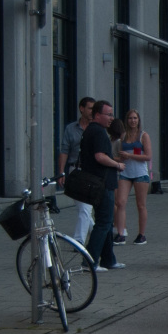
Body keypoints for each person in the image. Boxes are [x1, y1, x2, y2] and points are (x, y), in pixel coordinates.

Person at [80, 100, 127, 270]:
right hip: (102, 183)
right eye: (108, 114)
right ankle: (89, 261)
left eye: (112, 114)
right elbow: (100, 156)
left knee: (106, 222)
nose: (111, 118)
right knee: (104, 222)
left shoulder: (91, 131)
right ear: (97, 115)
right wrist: (117, 165)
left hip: (99, 182)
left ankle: (109, 259)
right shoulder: (98, 132)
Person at [57, 97, 95, 242]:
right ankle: (100, 233)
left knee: (85, 209)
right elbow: (64, 150)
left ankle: (78, 242)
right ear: (82, 109)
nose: (92, 112)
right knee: (82, 209)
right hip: (75, 170)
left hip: (91, 172)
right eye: (90, 108)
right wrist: (61, 172)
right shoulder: (71, 128)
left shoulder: (96, 128)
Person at [113, 109, 152, 245]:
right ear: (126, 120)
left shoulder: (143, 136)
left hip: (140, 174)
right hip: (125, 172)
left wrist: (130, 156)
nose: (133, 121)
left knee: (141, 205)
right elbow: (121, 155)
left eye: (135, 118)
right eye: (130, 118)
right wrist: (115, 159)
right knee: (120, 202)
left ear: (138, 120)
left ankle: (141, 234)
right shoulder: (123, 136)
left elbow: (148, 156)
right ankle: (121, 233)